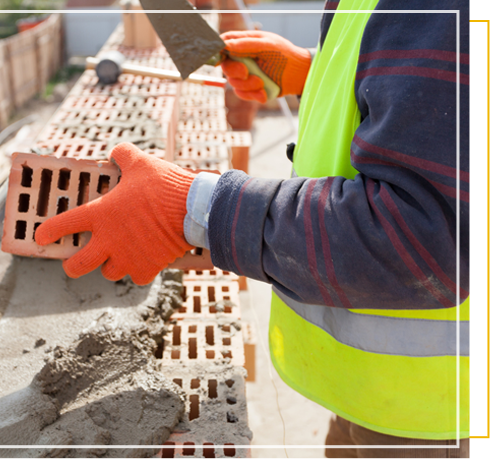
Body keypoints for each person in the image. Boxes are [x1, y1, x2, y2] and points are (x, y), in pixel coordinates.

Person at [36, 0, 471, 457]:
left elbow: (415, 241)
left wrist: (196, 205)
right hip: (377, 390)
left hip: (433, 411)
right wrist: (314, 72)